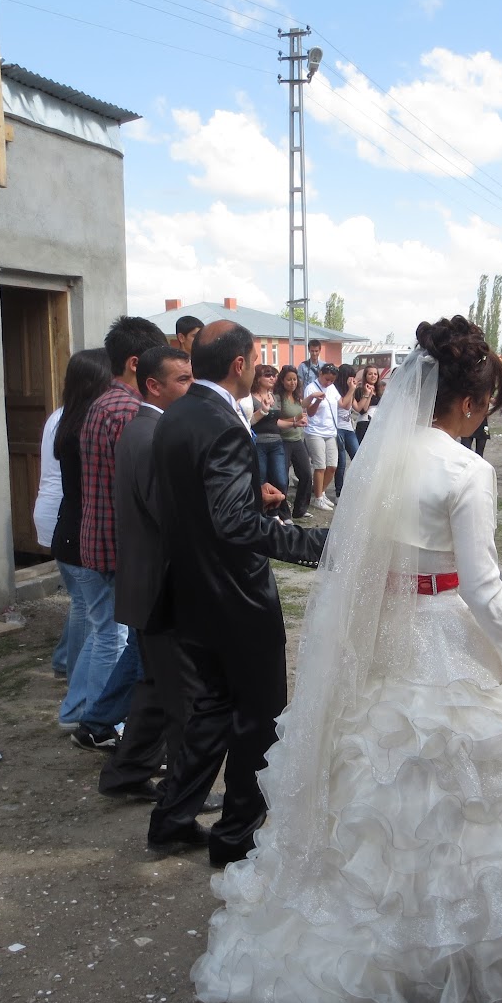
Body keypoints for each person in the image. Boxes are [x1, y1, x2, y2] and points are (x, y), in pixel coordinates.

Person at [192, 315, 502, 1003]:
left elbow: (358, 557)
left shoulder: (377, 453)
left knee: (379, 779)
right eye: (488, 404)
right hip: (443, 630)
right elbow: (483, 589)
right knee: (470, 789)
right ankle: (464, 963)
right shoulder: (465, 469)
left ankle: (384, 949)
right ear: (470, 402)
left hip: (386, 636)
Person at [146, 321, 329, 860]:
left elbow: (199, 503)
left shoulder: (177, 412)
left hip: (193, 588)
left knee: (209, 711)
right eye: (255, 358)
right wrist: (315, 544)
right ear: (239, 363)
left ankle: (172, 817)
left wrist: (253, 499)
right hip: (234, 596)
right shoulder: (221, 420)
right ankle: (236, 837)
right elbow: (230, 524)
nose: (257, 367)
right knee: (258, 718)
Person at [93, 346, 204, 795]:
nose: (192, 387)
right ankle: (181, 790)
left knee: (157, 690)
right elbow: (169, 514)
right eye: (182, 380)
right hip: (161, 587)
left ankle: (126, 774)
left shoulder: (150, 430)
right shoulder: (150, 436)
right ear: (154, 386)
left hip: (150, 586)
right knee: (183, 698)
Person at [61, 316, 169, 732]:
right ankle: (101, 722)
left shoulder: (103, 402)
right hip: (115, 545)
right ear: (137, 362)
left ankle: (79, 713)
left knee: (104, 632)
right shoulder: (126, 410)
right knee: (114, 638)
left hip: (96, 540)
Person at [35, 348, 111, 679]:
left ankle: (66, 662)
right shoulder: (81, 422)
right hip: (65, 515)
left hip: (62, 512)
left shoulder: (67, 415)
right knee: (86, 605)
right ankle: (73, 669)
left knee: (82, 602)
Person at [273, 366, 314, 521]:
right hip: (282, 441)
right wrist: (295, 421)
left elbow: (303, 406)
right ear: (282, 380)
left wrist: (315, 397)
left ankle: (300, 509)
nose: (292, 382)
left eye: (295, 379)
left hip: (297, 440)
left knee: (305, 474)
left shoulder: (297, 396)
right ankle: (283, 513)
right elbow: (275, 421)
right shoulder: (278, 397)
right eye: (289, 379)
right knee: (282, 478)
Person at [302, 361, 340, 510]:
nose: (329, 382)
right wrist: (317, 400)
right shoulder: (311, 388)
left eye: (332, 380)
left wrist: (352, 389)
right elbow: (309, 412)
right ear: (320, 374)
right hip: (315, 431)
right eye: (327, 379)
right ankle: (317, 498)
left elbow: (341, 403)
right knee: (320, 466)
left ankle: (321, 492)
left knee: (332, 466)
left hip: (330, 431)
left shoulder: (332, 388)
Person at [246, 363, 287, 494]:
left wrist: (294, 422)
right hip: (259, 443)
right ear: (258, 378)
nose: (272, 378)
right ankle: (263, 511)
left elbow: (276, 422)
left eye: (274, 375)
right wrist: (263, 410)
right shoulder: (249, 398)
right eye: (268, 375)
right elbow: (248, 422)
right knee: (261, 479)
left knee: (281, 480)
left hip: (276, 442)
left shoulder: (274, 396)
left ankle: (275, 511)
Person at [333, 364, 361, 495]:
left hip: (349, 428)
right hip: (338, 428)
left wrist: (367, 395)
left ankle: (355, 487)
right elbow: (344, 405)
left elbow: (357, 408)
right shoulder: (334, 390)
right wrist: (351, 389)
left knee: (357, 457)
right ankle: (339, 492)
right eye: (351, 378)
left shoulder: (350, 390)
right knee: (341, 462)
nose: (353, 381)